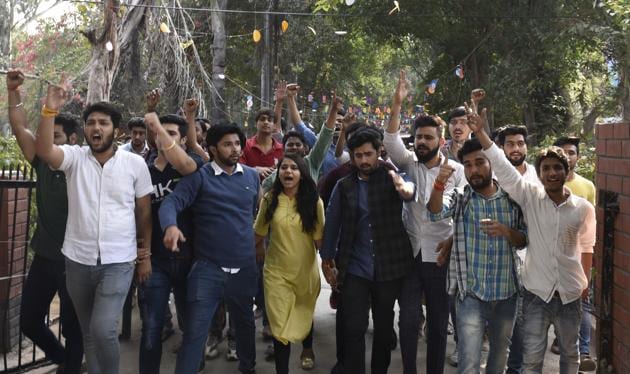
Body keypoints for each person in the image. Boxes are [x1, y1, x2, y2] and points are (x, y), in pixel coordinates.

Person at [35, 80, 153, 374]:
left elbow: (144, 212)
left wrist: (144, 255)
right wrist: (50, 109)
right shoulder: (74, 158)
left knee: (103, 330)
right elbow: (46, 150)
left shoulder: (135, 164)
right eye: (90, 123)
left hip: (118, 261)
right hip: (77, 260)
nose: (95, 128)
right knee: (88, 332)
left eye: (103, 122)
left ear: (117, 130)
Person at [469, 106, 596, 374]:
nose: (552, 173)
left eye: (557, 168)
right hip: (536, 294)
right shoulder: (530, 197)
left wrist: (584, 284)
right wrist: (480, 132)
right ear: (539, 174)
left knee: (570, 357)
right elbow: (503, 169)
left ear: (566, 170)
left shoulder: (583, 208)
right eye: (546, 168)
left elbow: (587, 247)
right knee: (532, 359)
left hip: (571, 294)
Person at [159, 123, 260, 374]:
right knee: (195, 333)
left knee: (246, 327)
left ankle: (248, 368)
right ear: (212, 149)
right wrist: (170, 226)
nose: (235, 149)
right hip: (208, 270)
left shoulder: (251, 176)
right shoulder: (199, 177)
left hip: (245, 267)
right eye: (227, 144)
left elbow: (254, 214)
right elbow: (171, 202)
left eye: (237, 143)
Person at [383, 70, 466, 374]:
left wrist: (454, 239)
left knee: (438, 323)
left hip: (440, 256)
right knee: (406, 319)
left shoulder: (456, 170)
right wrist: (396, 104)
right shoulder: (409, 163)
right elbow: (390, 140)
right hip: (410, 253)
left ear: (440, 141)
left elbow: (461, 212)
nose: (421, 141)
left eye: (428, 137)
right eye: (418, 137)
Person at [6, 69, 84, 374]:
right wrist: (13, 91)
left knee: (73, 327)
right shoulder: (40, 161)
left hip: (75, 261)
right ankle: (63, 359)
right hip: (44, 257)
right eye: (45, 137)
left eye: (56, 138)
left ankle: (71, 368)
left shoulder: (81, 166)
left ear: (72, 140)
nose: (47, 144)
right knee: (28, 321)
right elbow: (19, 125)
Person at [427, 138, 527, 374]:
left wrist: (506, 231)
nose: (474, 170)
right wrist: (440, 182)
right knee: (469, 360)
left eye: (480, 162)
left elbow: (524, 239)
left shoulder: (512, 198)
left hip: (506, 293)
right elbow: (434, 212)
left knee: (499, 357)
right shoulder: (461, 196)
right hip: (471, 294)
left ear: (492, 162)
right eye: (468, 165)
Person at [321, 127, 415, 374]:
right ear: (352, 157)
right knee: (353, 328)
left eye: (368, 154)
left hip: (389, 266)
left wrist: (405, 188)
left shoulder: (392, 178)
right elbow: (332, 224)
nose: (364, 160)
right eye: (358, 155)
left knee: (384, 330)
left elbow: (409, 190)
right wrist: (327, 259)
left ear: (378, 153)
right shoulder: (344, 186)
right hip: (354, 268)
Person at [138, 107, 204, 374]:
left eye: (171, 133)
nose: (162, 137)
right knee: (152, 328)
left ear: (184, 139)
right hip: (156, 263)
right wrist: (143, 257)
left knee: (191, 326)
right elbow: (140, 217)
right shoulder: (142, 170)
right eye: (158, 133)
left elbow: (184, 163)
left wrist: (157, 124)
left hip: (191, 261)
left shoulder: (193, 164)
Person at [254, 154, 325, 374]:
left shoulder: (314, 202)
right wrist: (256, 250)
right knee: (279, 325)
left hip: (305, 271)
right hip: (276, 273)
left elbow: (319, 240)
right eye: (283, 167)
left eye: (294, 168)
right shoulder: (270, 199)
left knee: (303, 313)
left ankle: (307, 349)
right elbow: (258, 232)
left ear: (302, 175)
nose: (288, 171)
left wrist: (330, 266)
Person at [499, 125, 542, 374]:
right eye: (510, 144)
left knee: (527, 322)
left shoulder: (539, 176)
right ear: (502, 148)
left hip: (534, 259)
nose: (516, 148)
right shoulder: (494, 177)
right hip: (501, 257)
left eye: (520, 143)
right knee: (509, 323)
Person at [553, 136, 597, 372]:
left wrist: (589, 263)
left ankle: (584, 352)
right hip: (556, 259)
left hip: (580, 255)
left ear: (577, 157)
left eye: (571, 152)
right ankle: (563, 342)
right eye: (562, 152)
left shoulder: (587, 186)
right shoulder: (546, 185)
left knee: (583, 303)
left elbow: (592, 226)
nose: (567, 156)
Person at [261, 88, 338, 192]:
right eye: (290, 144)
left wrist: (333, 110)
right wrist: (285, 99)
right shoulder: (277, 172)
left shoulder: (311, 163)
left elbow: (325, 136)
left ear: (305, 148)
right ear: (283, 149)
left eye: (298, 144)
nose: (294, 147)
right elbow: (263, 193)